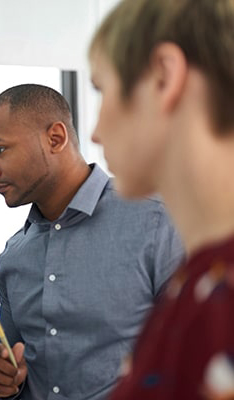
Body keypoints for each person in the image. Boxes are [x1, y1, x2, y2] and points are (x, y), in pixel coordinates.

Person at [0, 83, 184, 399]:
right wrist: (4, 380)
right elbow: (11, 363)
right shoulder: (13, 256)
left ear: (55, 138)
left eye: (0, 149)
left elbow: (201, 355)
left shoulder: (158, 221)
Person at [88, 0, 234, 399]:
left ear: (163, 77)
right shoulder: (201, 277)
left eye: (102, 89)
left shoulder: (221, 296)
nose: (96, 132)